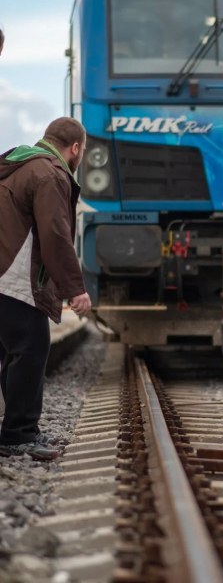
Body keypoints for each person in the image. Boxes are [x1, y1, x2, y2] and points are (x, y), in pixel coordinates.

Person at [0, 117, 92, 461]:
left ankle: (21, 429)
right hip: (14, 278)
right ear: (75, 148)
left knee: (11, 352)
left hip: (5, 275)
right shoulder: (51, 174)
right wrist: (75, 289)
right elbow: (54, 234)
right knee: (31, 347)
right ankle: (18, 435)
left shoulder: (17, 163)